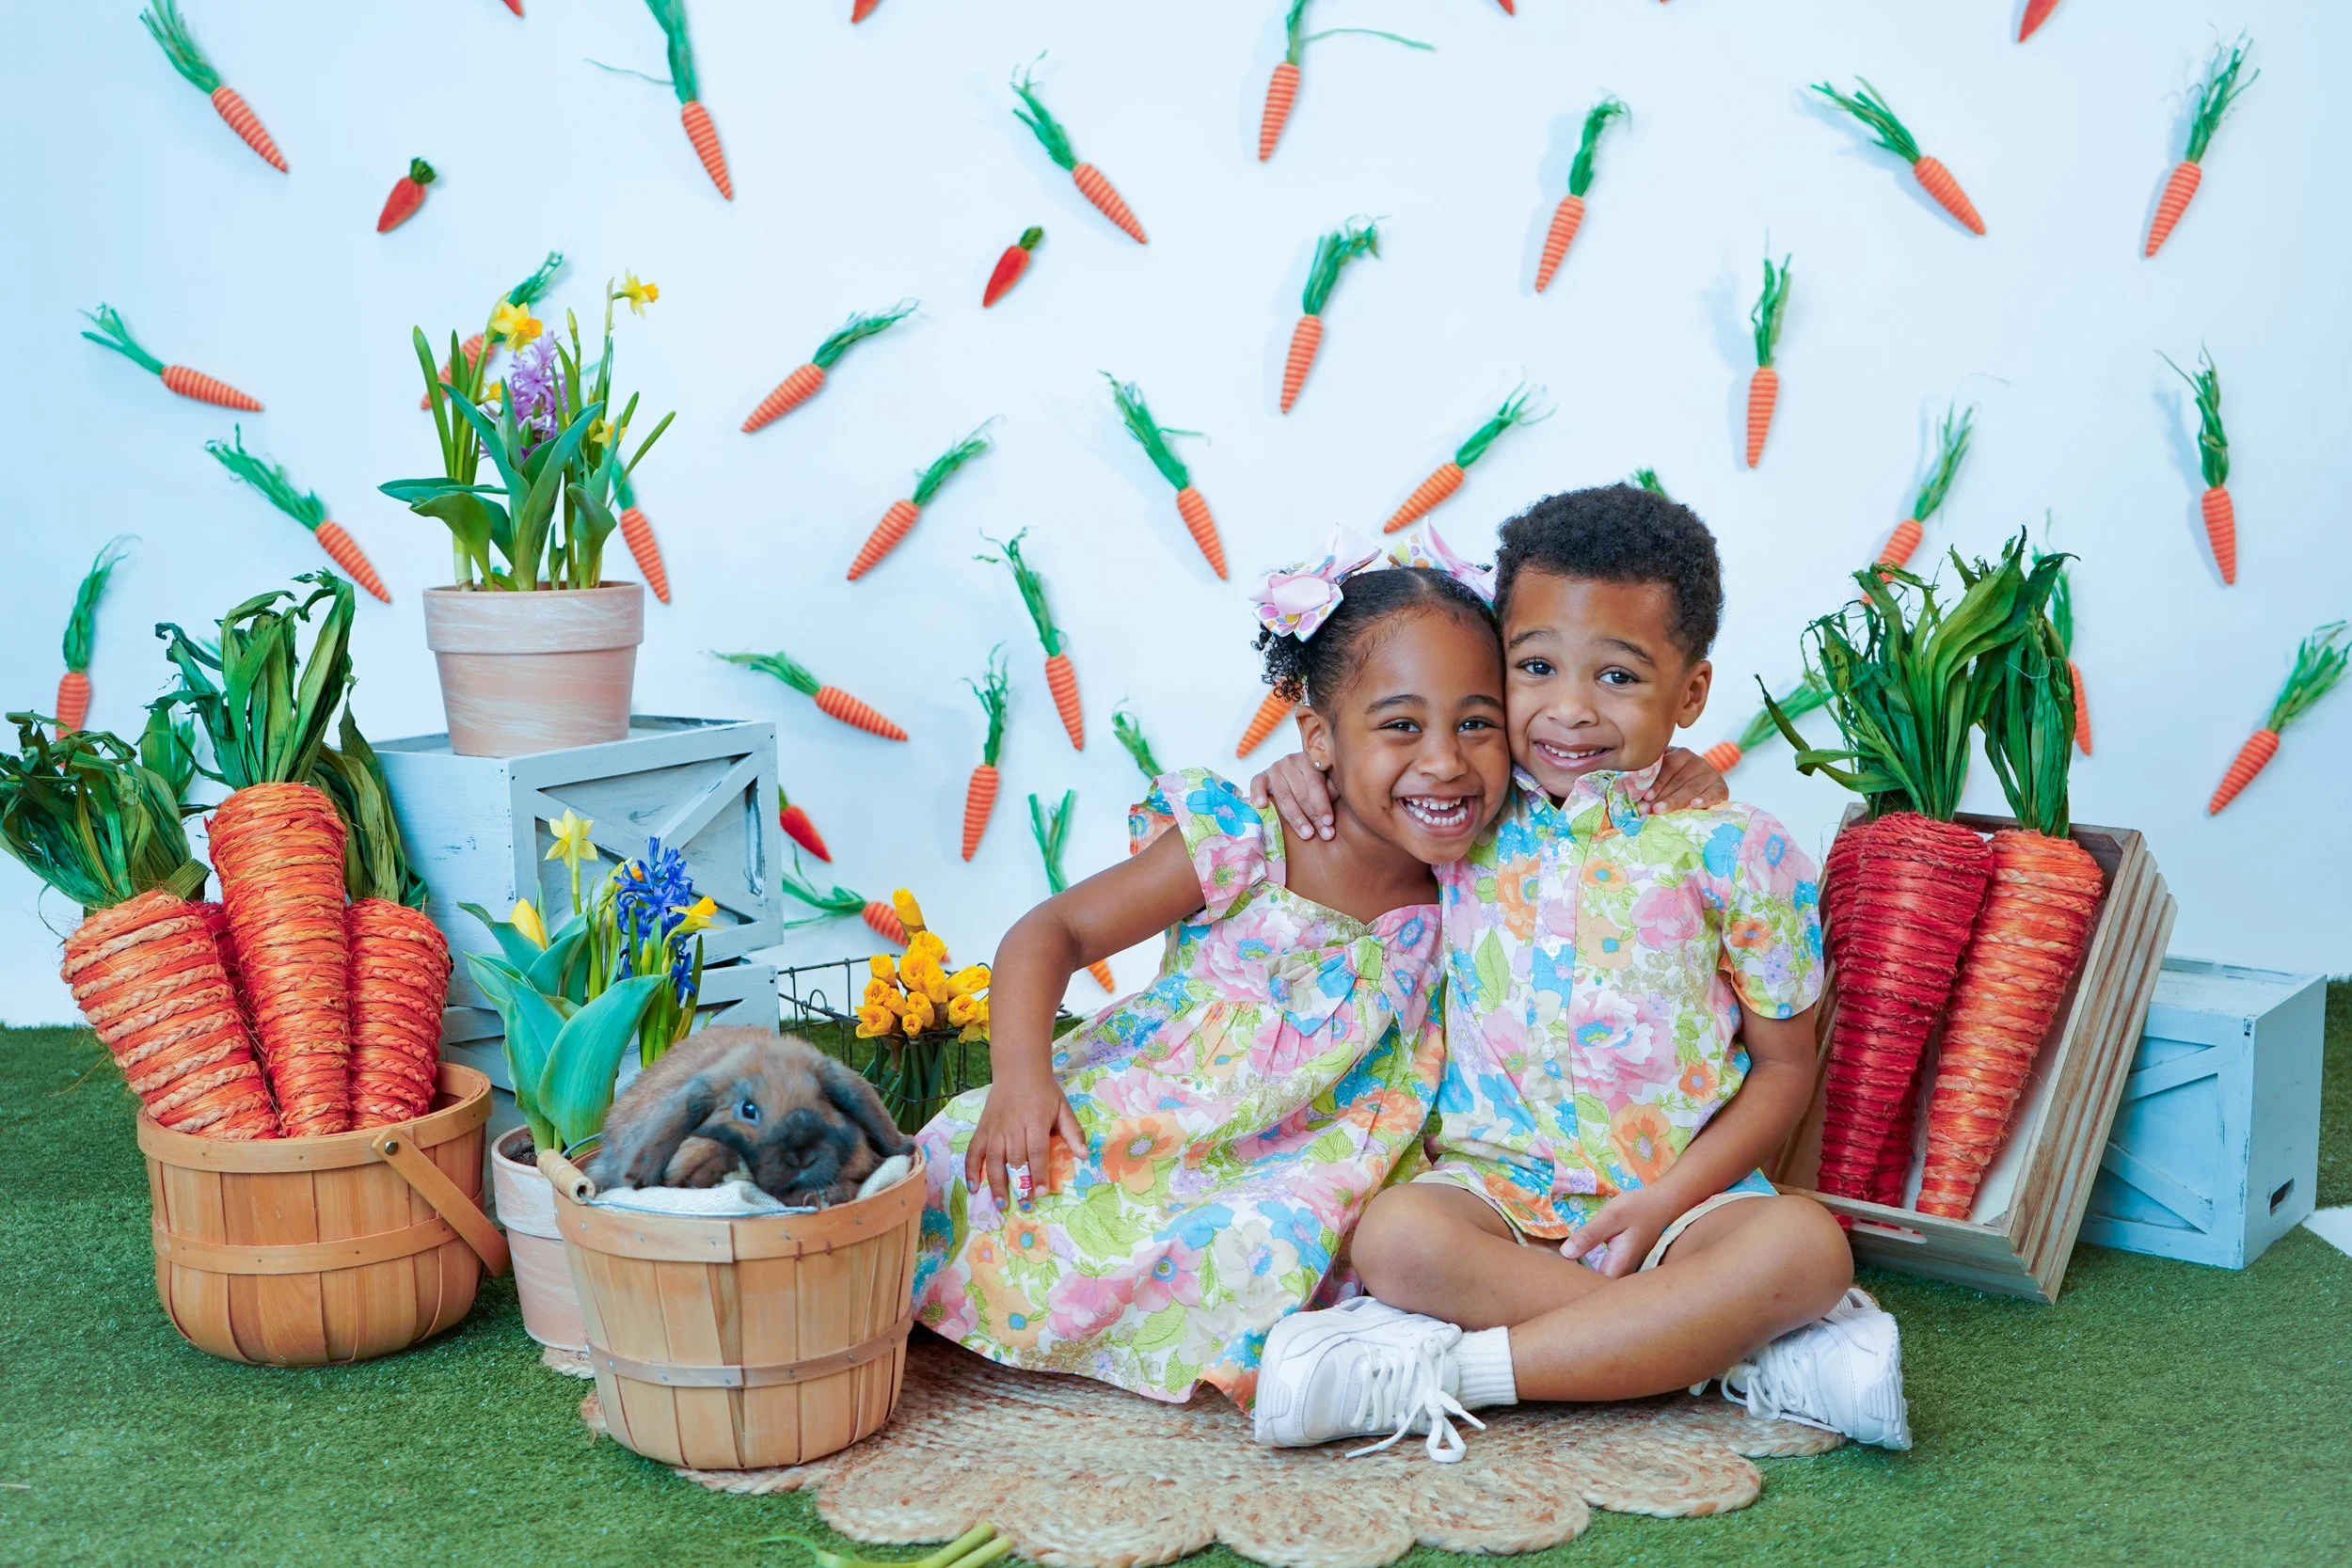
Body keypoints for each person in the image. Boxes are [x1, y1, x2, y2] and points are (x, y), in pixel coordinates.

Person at [1250, 484, 1909, 1461]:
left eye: (1618, 676)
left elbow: (1783, 1068)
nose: (1569, 708)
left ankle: (1450, 1375)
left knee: (1805, 1246)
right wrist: (1295, 772)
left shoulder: (1736, 847)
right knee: (1390, 1236)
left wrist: (1666, 1199)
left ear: (1688, 694)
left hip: (1687, 1206)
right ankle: (1727, 1345)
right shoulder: (1462, 808)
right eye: (1535, 667)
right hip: (1494, 1200)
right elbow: (1362, 761)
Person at [910, 538, 1516, 1408]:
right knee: (949, 1162)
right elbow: (1054, 929)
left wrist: (1675, 771)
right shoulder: (1249, 838)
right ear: (1319, 740)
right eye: (1400, 725)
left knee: (1258, 1240)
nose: (1446, 760)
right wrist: (1019, 1077)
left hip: (1312, 1156)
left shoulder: (1497, 863)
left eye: (1476, 722)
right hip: (1151, 1109)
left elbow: (1612, 789)